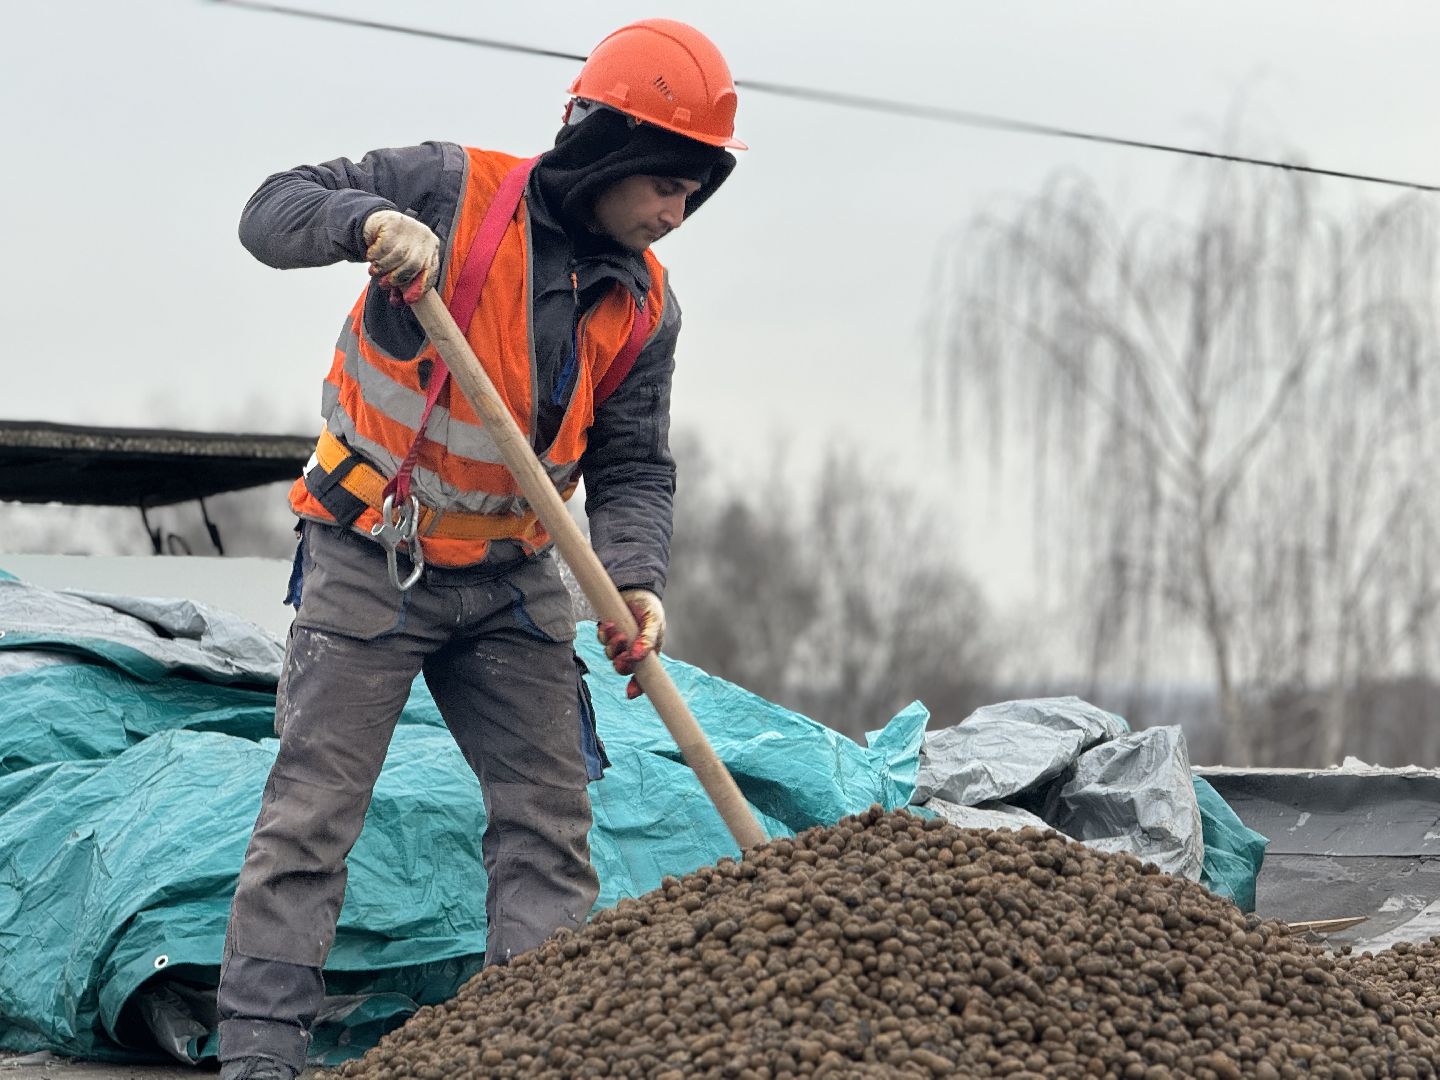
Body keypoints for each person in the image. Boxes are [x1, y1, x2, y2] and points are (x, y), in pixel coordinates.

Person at [214, 20, 743, 1080]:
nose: (675, 213)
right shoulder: (451, 191)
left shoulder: (646, 305)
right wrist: (367, 222)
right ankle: (262, 1051)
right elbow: (269, 210)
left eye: (693, 194)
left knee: (550, 822)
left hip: (511, 580)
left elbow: (636, 465)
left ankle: (525, 1050)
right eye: (664, 185)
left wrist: (636, 584)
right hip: (375, 556)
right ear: (608, 149)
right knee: (313, 816)